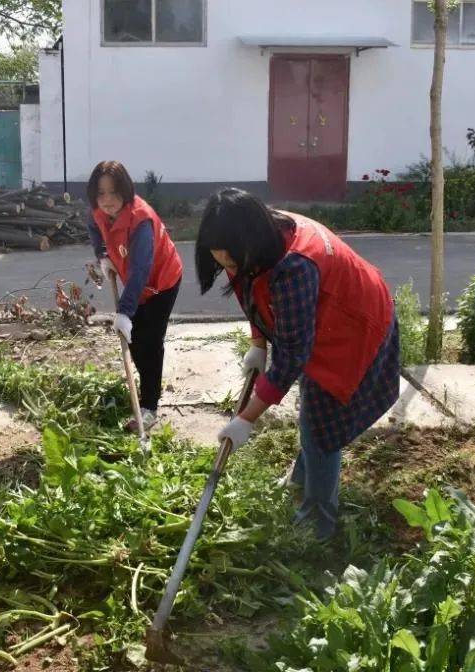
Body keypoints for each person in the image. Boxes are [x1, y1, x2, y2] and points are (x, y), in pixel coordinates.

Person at [195, 188, 400, 540]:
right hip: (325, 321)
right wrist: (257, 344)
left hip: (355, 328)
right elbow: (251, 290)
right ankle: (300, 481)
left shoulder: (294, 268)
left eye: (230, 261)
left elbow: (291, 356)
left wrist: (246, 420)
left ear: (249, 243)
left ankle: (317, 523)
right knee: (312, 415)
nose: (227, 268)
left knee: (322, 429)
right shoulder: (255, 238)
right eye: (221, 262)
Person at [87, 160, 183, 432]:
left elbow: (141, 270)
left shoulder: (141, 220)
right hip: (134, 280)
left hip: (161, 282)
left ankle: (149, 407)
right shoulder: (98, 211)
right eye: (101, 193)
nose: (107, 201)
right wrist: (102, 254)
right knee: (137, 342)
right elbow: (93, 226)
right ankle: (143, 390)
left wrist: (125, 312)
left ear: (126, 191)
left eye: (114, 193)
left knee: (149, 342)